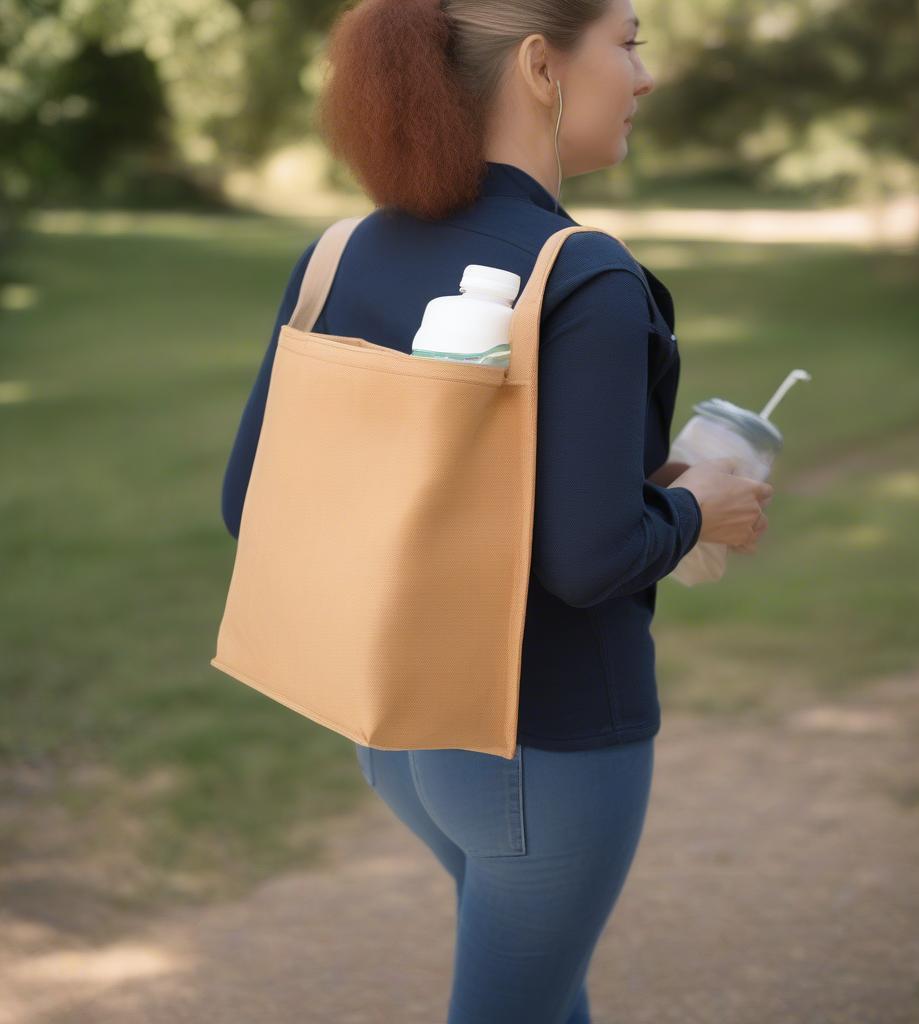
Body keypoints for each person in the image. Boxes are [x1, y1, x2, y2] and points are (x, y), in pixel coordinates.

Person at [220, 0, 772, 1020]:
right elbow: (588, 557)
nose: (644, 78)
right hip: (547, 745)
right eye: (628, 43)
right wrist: (701, 507)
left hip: (395, 730)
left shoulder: (343, 253)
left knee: (539, 990)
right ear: (538, 64)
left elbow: (244, 498)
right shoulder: (589, 277)